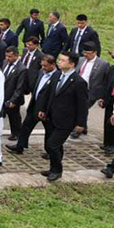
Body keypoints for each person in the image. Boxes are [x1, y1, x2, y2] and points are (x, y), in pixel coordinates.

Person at [39, 52, 88, 182]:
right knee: (56, 145)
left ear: (72, 64)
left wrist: (80, 123)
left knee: (52, 145)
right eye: (59, 60)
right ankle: (53, 168)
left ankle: (57, 170)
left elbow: (82, 105)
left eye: (62, 60)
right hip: (52, 117)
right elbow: (49, 94)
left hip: (66, 120)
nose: (59, 62)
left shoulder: (79, 82)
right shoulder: (57, 75)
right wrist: (44, 110)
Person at [5, 54, 60, 156]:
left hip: (46, 109)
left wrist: (45, 110)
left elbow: (53, 96)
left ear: (53, 65)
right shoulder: (41, 72)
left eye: (45, 66)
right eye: (42, 65)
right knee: (26, 126)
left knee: (49, 131)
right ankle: (20, 146)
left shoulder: (57, 77)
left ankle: (50, 152)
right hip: (35, 105)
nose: (43, 68)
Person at [70, 42, 109, 139]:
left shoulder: (103, 64)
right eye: (84, 52)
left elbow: (106, 80)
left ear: (95, 52)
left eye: (88, 53)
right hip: (77, 89)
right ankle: (83, 127)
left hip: (91, 91)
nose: (85, 54)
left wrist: (102, 96)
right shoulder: (80, 60)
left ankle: (79, 128)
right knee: (78, 109)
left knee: (81, 109)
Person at [1, 46, 28, 141]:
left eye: (10, 56)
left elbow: (19, 88)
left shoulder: (21, 69)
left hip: (14, 97)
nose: (7, 58)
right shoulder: (5, 63)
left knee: (14, 117)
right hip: (3, 94)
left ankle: (16, 133)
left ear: (16, 56)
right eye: (6, 56)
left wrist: (13, 100)